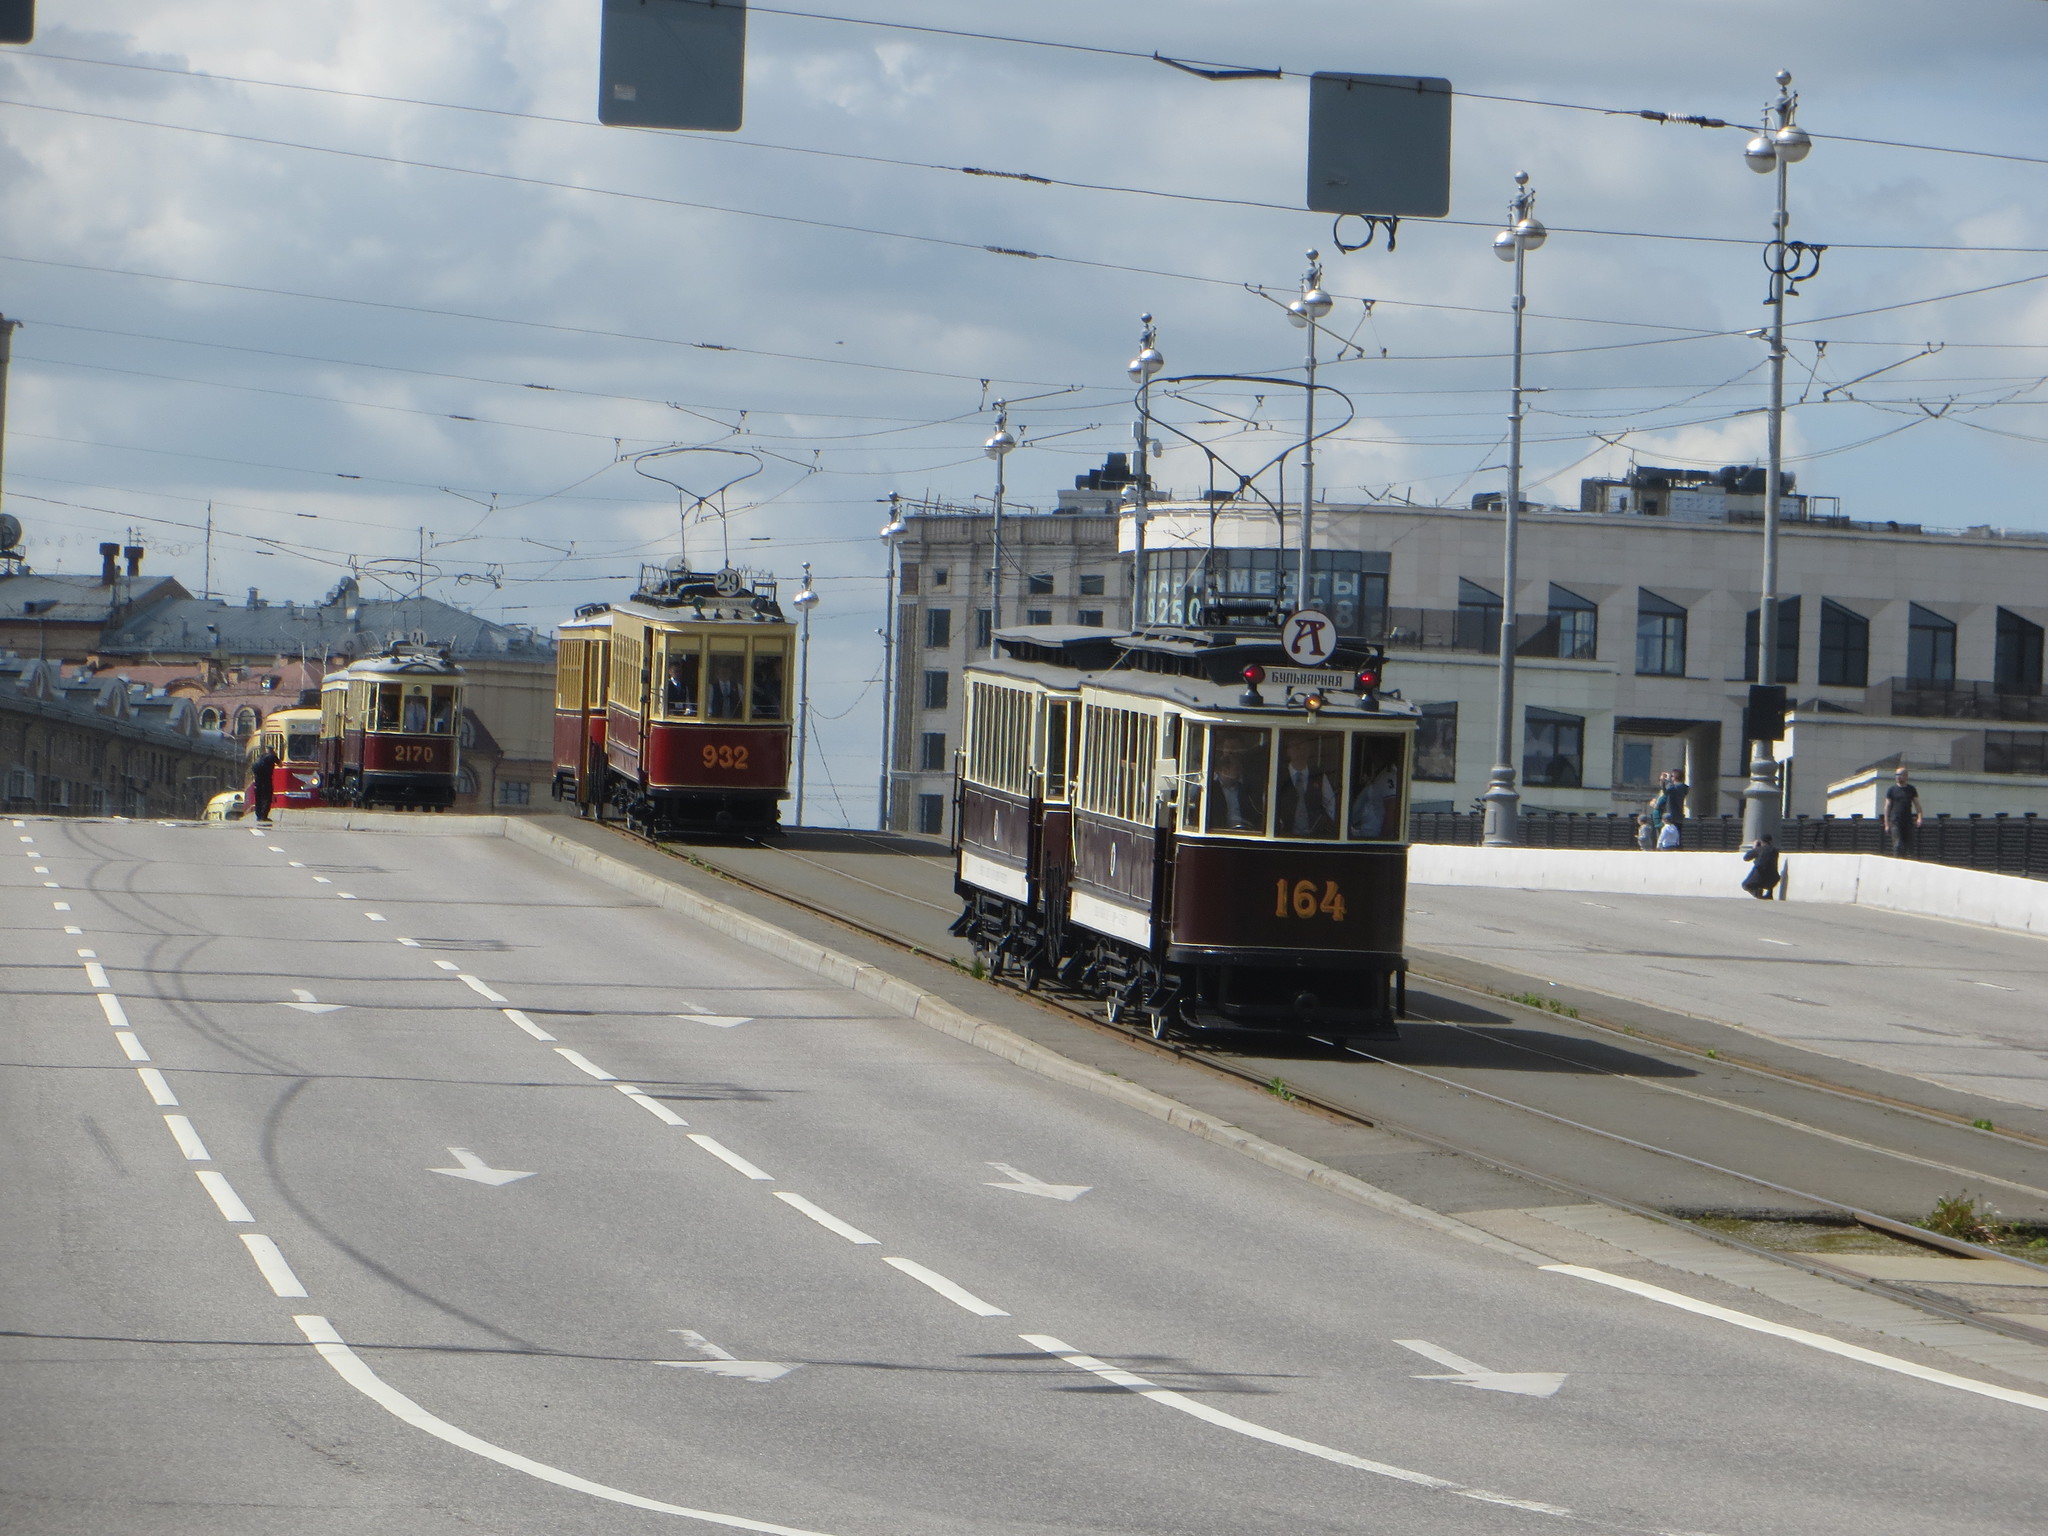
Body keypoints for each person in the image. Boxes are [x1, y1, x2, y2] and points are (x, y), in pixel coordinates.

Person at [1274, 735, 1339, 839]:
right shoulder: (1278, 776)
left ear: (1309, 751)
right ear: (1288, 751)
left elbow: (1331, 806)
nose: (1300, 750)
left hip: (1314, 837)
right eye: (1295, 746)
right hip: (1284, 836)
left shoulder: (1319, 776)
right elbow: (1268, 804)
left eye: (1304, 747)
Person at [1883, 766, 1923, 858]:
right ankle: (1897, 863)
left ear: (1906, 776)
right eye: (1896, 775)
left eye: (1900, 775)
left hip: (1907, 821)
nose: (1897, 777)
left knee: (1909, 846)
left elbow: (1917, 805)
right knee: (1897, 845)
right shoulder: (1891, 790)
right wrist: (1886, 824)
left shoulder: (1911, 789)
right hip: (1895, 821)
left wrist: (1919, 817)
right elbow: (1887, 807)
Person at [249, 741, 280, 824]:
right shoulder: (272, 756)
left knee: (258, 797)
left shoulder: (260, 756)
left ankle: (258, 815)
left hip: (258, 780)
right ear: (272, 750)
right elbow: (280, 765)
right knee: (267, 797)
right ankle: (264, 816)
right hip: (266, 780)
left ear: (266, 749)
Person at [1742, 834, 1782, 899]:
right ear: (1771, 841)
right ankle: (1769, 894)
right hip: (1773, 879)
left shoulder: (1759, 850)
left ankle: (1757, 893)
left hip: (1759, 878)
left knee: (1745, 885)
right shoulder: (1775, 851)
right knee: (1770, 868)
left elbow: (1746, 858)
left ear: (1761, 841)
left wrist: (1754, 848)